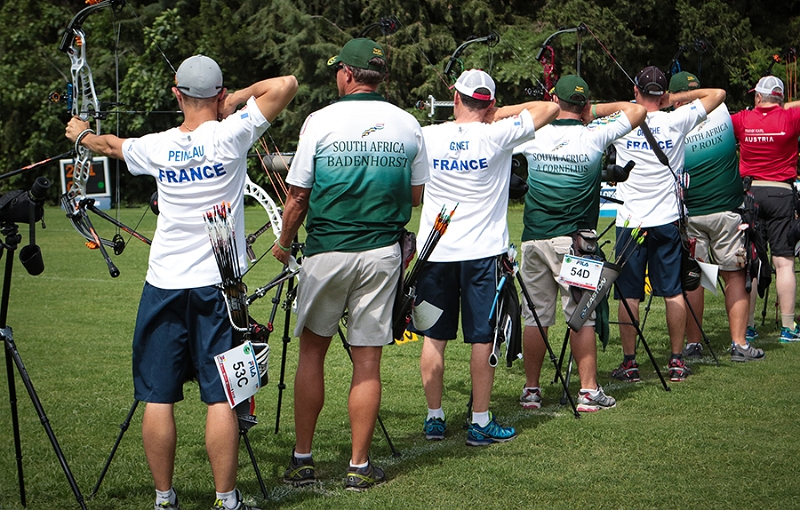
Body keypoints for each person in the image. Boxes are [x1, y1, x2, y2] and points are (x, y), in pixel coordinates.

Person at [66, 55, 297, 510]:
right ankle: (226, 501)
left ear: (176, 94)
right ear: (218, 94)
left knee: (158, 395)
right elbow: (285, 84)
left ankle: (164, 499)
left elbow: (110, 146)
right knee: (221, 397)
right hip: (217, 286)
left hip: (164, 283)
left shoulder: (157, 146)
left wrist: (81, 135)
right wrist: (234, 100)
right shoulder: (232, 133)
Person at [272, 38, 428, 491]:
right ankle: (359, 467)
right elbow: (416, 195)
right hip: (381, 255)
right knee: (367, 361)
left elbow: (297, 195)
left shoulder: (320, 120)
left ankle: (303, 459)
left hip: (327, 252)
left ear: (346, 74)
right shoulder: (408, 124)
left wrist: (284, 242)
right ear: (380, 76)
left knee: (312, 353)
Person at [413, 69, 558, 444]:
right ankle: (479, 421)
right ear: (490, 103)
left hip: (436, 252)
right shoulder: (498, 132)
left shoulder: (428, 135)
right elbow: (550, 108)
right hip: (482, 256)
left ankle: (434, 418)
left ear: (454, 97)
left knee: (434, 336)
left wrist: (486, 112)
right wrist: (498, 111)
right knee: (483, 338)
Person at [515, 75, 646, 412]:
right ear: (585, 104)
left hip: (533, 240)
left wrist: (542, 109)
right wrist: (594, 111)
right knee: (582, 315)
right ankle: (588, 391)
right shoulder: (594, 133)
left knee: (535, 317)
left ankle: (531, 391)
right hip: (575, 243)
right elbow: (637, 110)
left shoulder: (533, 133)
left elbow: (495, 119)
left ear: (554, 102)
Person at [610, 65, 725, 383]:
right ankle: (676, 361)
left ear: (636, 91)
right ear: (663, 95)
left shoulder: (622, 122)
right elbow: (718, 94)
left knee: (629, 295)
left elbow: (587, 113)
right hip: (666, 221)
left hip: (631, 223)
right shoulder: (677, 119)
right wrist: (675, 98)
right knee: (673, 292)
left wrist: (629, 105)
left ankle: (630, 363)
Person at [671, 72, 764, 363]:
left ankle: (693, 345)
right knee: (734, 275)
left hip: (692, 213)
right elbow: (718, 93)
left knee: (694, 278)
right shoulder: (722, 111)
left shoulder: (672, 125)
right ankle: (739, 344)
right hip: (727, 211)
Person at [731, 75, 800, 343]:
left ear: (758, 97)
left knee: (752, 261)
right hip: (782, 192)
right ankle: (788, 326)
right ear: (780, 99)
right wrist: (783, 106)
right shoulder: (790, 118)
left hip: (751, 193)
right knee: (784, 262)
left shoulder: (743, 119)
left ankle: (747, 326)